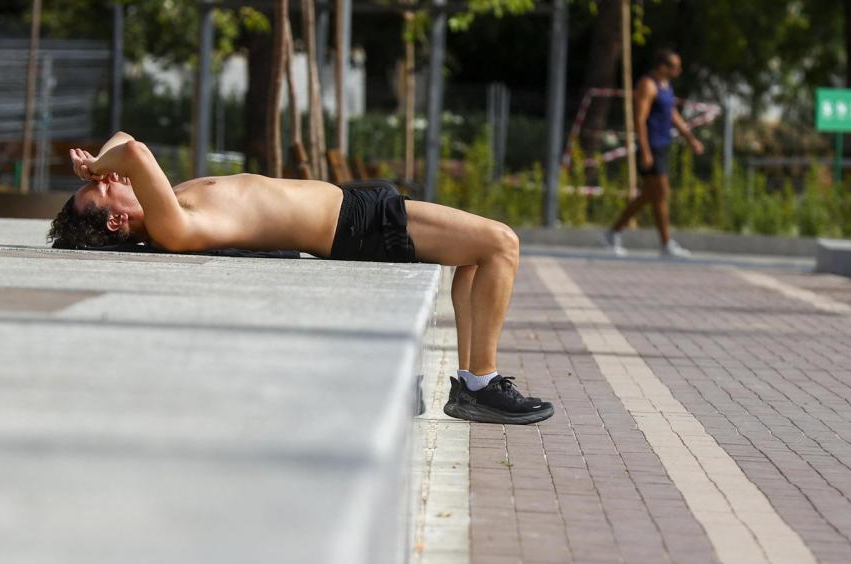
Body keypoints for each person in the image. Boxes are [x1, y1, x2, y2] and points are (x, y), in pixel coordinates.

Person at [48, 131, 554, 425]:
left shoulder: (168, 207)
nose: (107, 179)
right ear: (116, 221)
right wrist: (96, 163)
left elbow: (123, 144)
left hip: (356, 210)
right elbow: (132, 152)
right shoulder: (172, 225)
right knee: (501, 244)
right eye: (101, 190)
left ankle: (473, 380)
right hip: (355, 229)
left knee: (476, 257)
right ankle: (480, 384)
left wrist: (97, 165)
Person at [603, 48, 705, 258]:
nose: (679, 69)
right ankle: (666, 243)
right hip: (652, 146)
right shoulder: (647, 85)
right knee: (661, 194)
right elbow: (639, 119)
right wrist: (645, 151)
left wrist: (691, 139)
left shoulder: (666, 86)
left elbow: (672, 114)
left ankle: (613, 233)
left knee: (649, 196)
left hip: (662, 145)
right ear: (662, 67)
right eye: (675, 66)